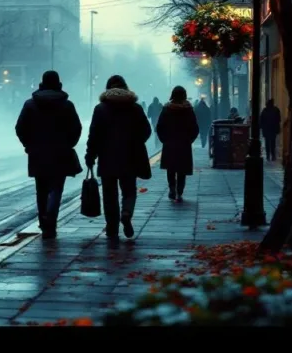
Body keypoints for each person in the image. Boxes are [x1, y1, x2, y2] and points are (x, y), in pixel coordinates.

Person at [15, 71, 83, 240]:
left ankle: (43, 220)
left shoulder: (30, 104)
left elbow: (20, 128)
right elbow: (77, 128)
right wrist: (69, 144)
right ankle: (51, 220)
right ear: (59, 84)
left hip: (37, 153)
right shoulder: (67, 105)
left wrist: (28, 145)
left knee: (41, 189)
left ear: (42, 83)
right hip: (61, 152)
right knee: (56, 188)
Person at [85, 75, 152, 242]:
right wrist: (136, 142)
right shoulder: (135, 108)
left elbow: (94, 135)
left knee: (109, 194)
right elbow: (146, 130)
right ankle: (127, 212)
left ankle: (112, 228)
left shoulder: (100, 109)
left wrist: (90, 155)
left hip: (107, 157)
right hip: (130, 156)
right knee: (129, 191)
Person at [156, 86, 200, 201]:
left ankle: (172, 188)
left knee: (171, 168)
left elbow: (160, 126)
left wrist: (164, 139)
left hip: (170, 143)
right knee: (182, 169)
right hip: (184, 144)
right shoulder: (188, 110)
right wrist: (190, 140)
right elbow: (195, 128)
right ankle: (179, 190)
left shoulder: (167, 109)